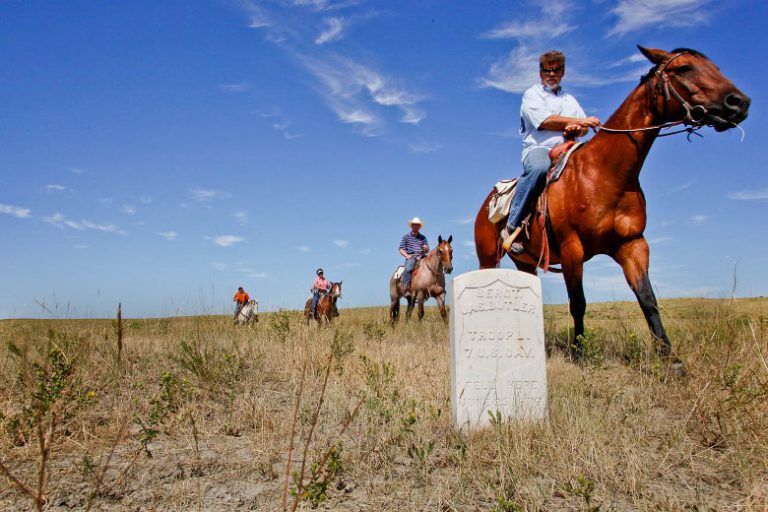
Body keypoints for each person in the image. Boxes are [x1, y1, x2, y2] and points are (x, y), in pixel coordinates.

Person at [500, 50, 601, 254]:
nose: (551, 74)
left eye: (555, 70)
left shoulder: (569, 99)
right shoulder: (532, 94)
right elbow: (545, 121)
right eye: (546, 70)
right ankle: (512, 224)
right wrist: (579, 121)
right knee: (539, 168)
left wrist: (577, 128)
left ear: (562, 72)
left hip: (569, 149)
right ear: (540, 74)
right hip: (540, 149)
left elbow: (583, 128)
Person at [399, 217, 429, 296]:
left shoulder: (423, 237)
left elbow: (426, 249)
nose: (416, 226)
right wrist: (407, 256)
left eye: (417, 225)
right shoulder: (406, 237)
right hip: (412, 257)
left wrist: (426, 249)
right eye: (414, 225)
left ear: (419, 227)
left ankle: (431, 287)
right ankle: (405, 287)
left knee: (433, 264)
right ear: (412, 226)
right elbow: (401, 249)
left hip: (422, 256)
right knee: (408, 269)